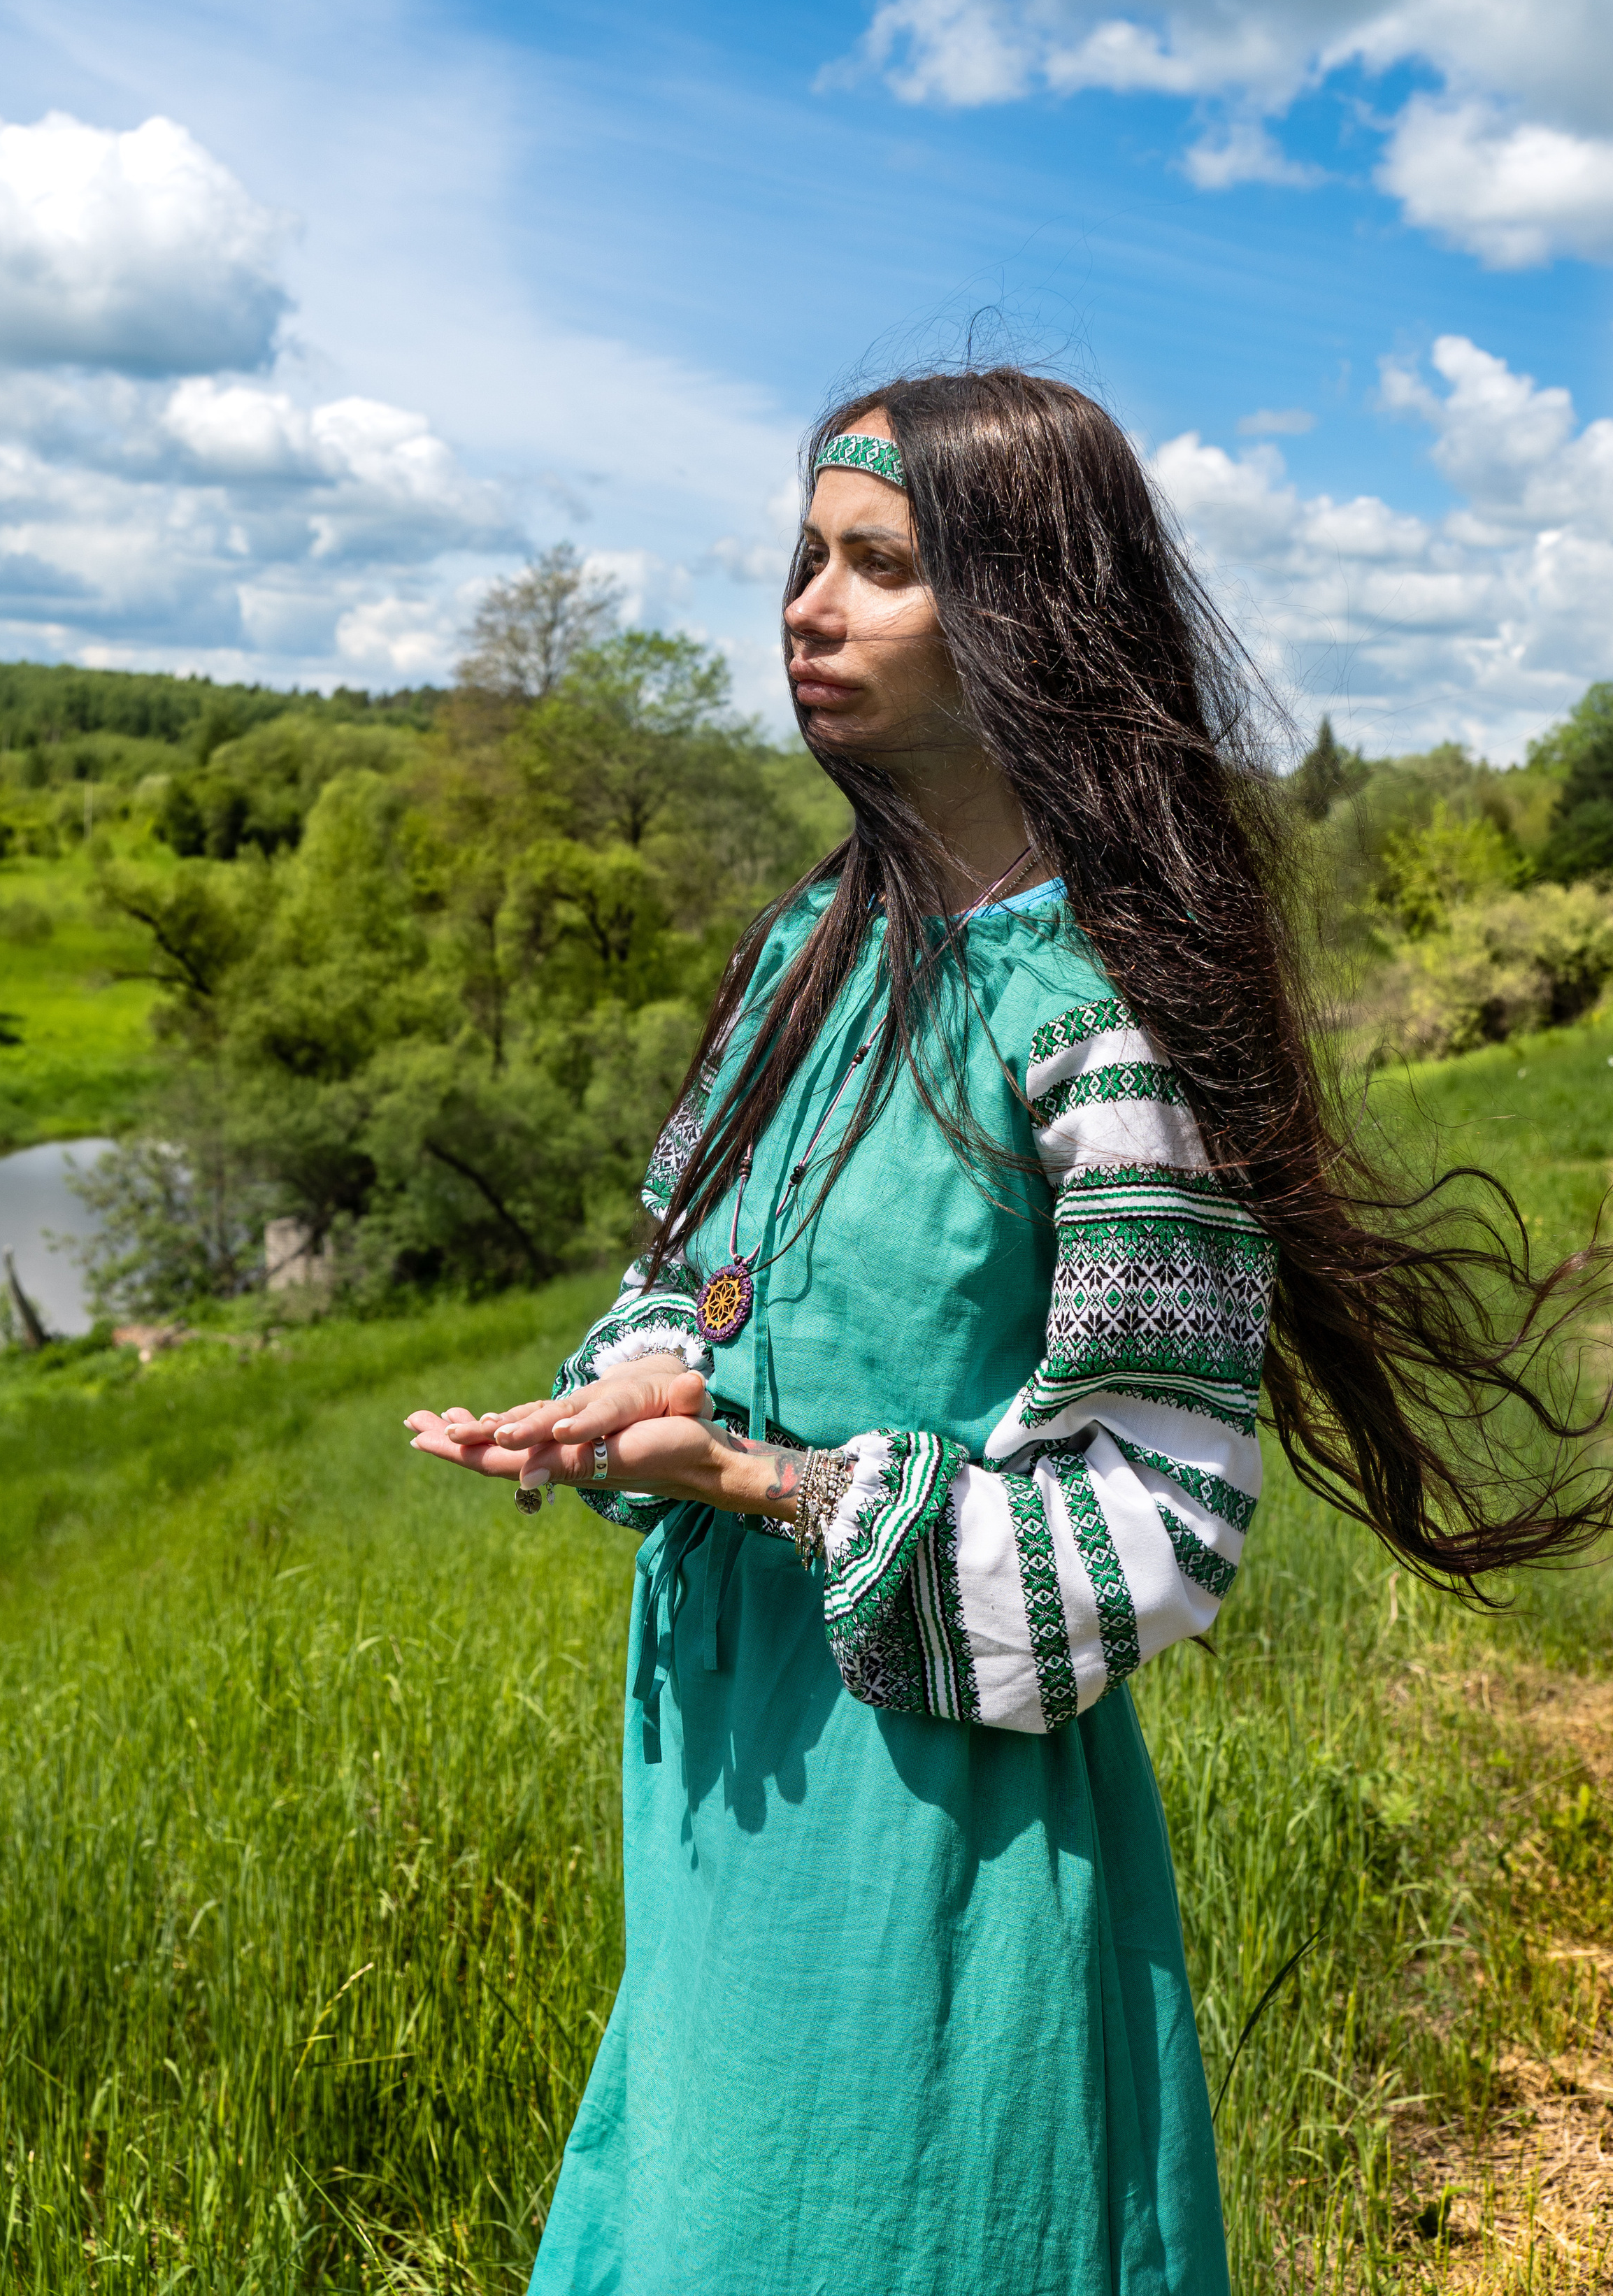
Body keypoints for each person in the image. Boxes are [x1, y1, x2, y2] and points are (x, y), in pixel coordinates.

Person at [406, 368, 1606, 2294]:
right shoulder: (813, 952)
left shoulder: (1109, 1017)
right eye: (807, 557)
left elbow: (1165, 1508)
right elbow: (690, 1265)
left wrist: (774, 1483)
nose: (806, 605)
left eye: (875, 566)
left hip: (930, 1830)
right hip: (724, 1784)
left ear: (1021, 614)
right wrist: (640, 1384)